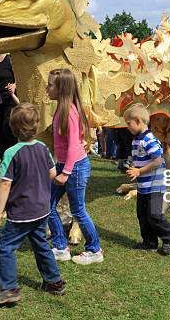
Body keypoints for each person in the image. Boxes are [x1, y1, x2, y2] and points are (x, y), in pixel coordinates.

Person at [0, 103, 66, 306]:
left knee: (5, 246)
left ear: (13, 128)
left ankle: (10, 289)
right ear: (36, 126)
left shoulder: (12, 152)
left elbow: (5, 184)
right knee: (40, 244)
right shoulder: (42, 148)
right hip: (42, 209)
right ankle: (54, 282)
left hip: (22, 211)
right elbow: (52, 174)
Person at [46, 69, 103, 265]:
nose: (47, 88)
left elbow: (73, 145)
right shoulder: (60, 110)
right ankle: (61, 247)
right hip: (64, 164)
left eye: (50, 85)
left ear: (61, 89)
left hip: (75, 167)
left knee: (78, 210)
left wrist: (65, 173)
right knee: (48, 204)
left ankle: (95, 250)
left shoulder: (69, 111)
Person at [123, 103, 170, 255]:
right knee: (142, 214)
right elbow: (139, 158)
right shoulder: (136, 140)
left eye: (129, 123)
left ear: (138, 121)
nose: (127, 127)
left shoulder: (149, 139)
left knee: (154, 215)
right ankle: (150, 242)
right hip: (143, 186)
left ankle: (169, 237)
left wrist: (139, 171)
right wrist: (133, 166)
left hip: (155, 185)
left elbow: (157, 161)